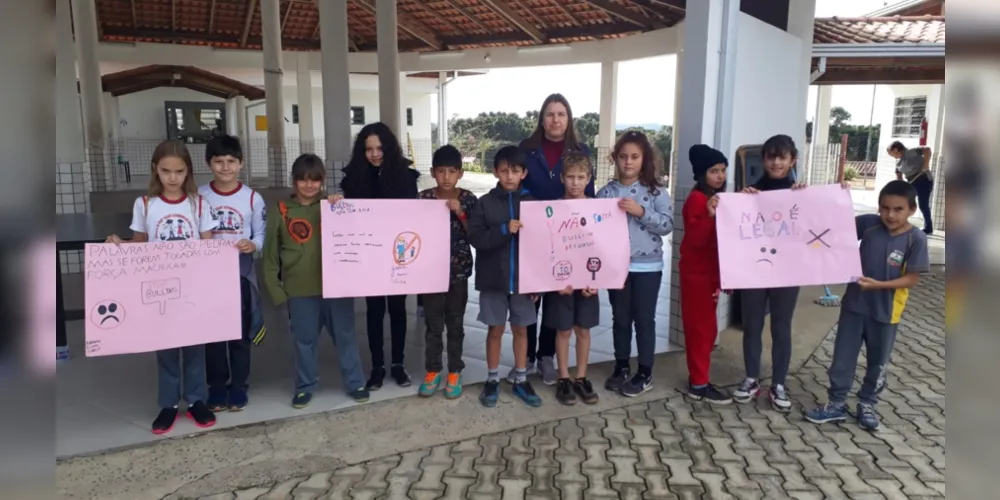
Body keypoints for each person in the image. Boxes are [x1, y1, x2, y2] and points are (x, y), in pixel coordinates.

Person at [106, 140, 219, 434]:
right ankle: (168, 405)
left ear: (188, 172)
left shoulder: (199, 204)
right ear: (155, 169)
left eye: (179, 171)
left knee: (195, 348)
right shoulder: (145, 205)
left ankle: (196, 401)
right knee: (166, 349)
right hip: (160, 291)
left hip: (193, 288)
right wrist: (118, 244)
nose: (172, 177)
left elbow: (208, 247)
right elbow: (139, 245)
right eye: (166, 171)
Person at [806, 180, 929, 431]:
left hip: (886, 312)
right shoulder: (868, 224)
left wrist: (878, 285)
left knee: (878, 361)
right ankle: (836, 403)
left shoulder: (915, 239)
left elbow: (912, 278)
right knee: (842, 358)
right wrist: (836, 195)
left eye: (898, 209)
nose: (890, 215)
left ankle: (867, 404)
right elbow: (834, 231)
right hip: (854, 305)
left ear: (912, 210)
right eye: (884, 208)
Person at [262, 153, 369, 409]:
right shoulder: (281, 211)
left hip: (337, 288)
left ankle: (355, 382)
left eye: (315, 180)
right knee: (304, 340)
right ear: (294, 180)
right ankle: (305, 386)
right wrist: (278, 293)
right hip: (299, 291)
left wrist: (341, 207)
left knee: (345, 336)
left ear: (322, 181)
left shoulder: (334, 206)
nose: (309, 185)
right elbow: (269, 256)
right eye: (303, 180)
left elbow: (358, 236)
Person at [516, 93, 595, 386]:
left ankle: (547, 355)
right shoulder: (526, 149)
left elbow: (591, 197)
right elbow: (515, 185)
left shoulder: (580, 150)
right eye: (550, 114)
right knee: (534, 294)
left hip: (568, 235)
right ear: (542, 119)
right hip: (535, 233)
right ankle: (530, 357)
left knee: (557, 295)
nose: (555, 120)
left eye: (561, 114)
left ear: (569, 118)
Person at [338, 122, 421, 390]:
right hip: (368, 257)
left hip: (398, 255)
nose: (374, 154)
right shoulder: (352, 179)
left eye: (379, 148)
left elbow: (414, 219)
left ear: (389, 148)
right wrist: (336, 204)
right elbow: (348, 217)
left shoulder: (406, 178)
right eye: (369, 149)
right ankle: (377, 367)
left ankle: (398, 364)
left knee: (398, 310)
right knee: (374, 311)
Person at [597, 130, 673, 397]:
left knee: (644, 320)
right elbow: (593, 231)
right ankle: (621, 367)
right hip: (616, 269)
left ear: (645, 159)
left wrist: (641, 212)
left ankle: (645, 372)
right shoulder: (605, 193)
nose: (628, 162)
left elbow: (667, 225)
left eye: (635, 157)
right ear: (615, 159)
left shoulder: (656, 192)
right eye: (623, 156)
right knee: (620, 319)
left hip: (648, 268)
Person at [733, 134, 806, 412]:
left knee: (781, 327)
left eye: (782, 157)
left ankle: (778, 383)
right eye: (771, 156)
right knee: (752, 325)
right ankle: (751, 378)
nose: (776, 162)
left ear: (792, 160)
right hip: (754, 270)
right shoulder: (749, 194)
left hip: (787, 271)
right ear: (763, 159)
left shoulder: (801, 194)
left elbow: (818, 220)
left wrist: (811, 197)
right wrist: (739, 201)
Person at [468, 146, 542, 408]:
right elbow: (476, 238)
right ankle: (492, 379)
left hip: (524, 284)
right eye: (504, 170)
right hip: (493, 281)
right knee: (495, 330)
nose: (509, 175)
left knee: (521, 330)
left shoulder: (533, 205)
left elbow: (541, 247)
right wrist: (503, 229)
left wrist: (538, 282)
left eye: (515, 170)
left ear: (524, 173)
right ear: (495, 172)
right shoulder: (485, 203)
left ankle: (521, 379)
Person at [198, 135, 267, 413]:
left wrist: (253, 245)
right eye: (218, 162)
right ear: (209, 164)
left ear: (241, 163)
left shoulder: (252, 198)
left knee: (239, 335)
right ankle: (216, 386)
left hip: (240, 273)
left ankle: (239, 387)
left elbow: (260, 235)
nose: (225, 168)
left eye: (231, 162)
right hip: (207, 277)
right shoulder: (199, 196)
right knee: (213, 335)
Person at [416, 145, 478, 399]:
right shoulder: (423, 198)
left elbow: (475, 234)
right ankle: (433, 370)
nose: (446, 177)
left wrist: (459, 212)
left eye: (452, 171)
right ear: (432, 172)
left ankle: (455, 370)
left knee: (455, 323)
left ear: (460, 174)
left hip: (458, 273)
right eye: (441, 171)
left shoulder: (468, 199)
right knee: (433, 325)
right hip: (429, 273)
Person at [679, 144, 733, 405]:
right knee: (701, 330)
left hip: (709, 275)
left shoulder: (715, 199)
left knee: (707, 329)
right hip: (697, 276)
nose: (720, 176)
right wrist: (710, 215)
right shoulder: (698, 201)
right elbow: (697, 240)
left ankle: (699, 377)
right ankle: (698, 383)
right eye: (714, 171)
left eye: (723, 170)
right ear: (702, 174)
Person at [548, 151, 601, 406]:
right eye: (570, 177)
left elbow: (602, 247)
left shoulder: (597, 209)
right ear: (561, 178)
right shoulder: (553, 210)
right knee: (564, 330)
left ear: (589, 178)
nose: (575, 182)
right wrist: (555, 280)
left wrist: (597, 279)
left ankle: (581, 377)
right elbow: (548, 248)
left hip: (588, 282)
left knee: (583, 329)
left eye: (581, 177)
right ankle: (564, 378)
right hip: (563, 284)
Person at [888, 141, 934, 234]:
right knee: (902, 202)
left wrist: (926, 165)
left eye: (890, 152)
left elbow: (927, 150)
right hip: (912, 182)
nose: (889, 154)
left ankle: (928, 228)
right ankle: (898, 223)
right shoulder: (898, 162)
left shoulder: (910, 152)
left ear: (896, 149)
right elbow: (899, 176)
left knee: (923, 205)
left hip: (924, 180)